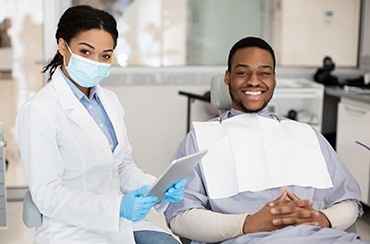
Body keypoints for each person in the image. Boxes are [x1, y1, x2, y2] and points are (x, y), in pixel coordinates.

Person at [164, 37, 367, 243]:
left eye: (264, 73)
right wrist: (246, 224)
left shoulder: (305, 134)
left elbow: (349, 201)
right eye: (243, 72)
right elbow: (180, 216)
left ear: (274, 79)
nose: (253, 81)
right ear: (228, 77)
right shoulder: (200, 139)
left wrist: (322, 219)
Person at [16, 5, 184, 244]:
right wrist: (117, 207)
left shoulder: (109, 102)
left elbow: (123, 166)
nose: (96, 62)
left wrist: (155, 188)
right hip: (70, 231)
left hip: (119, 226)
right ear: (63, 46)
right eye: (85, 52)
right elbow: (48, 196)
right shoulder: (39, 110)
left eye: (105, 56)